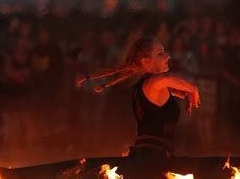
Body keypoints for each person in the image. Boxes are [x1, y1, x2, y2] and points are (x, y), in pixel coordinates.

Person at [76, 36, 200, 177]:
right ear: (146, 61)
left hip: (149, 158)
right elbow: (167, 80)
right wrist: (193, 88)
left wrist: (186, 94)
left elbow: (172, 89)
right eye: (160, 54)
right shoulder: (153, 83)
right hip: (151, 162)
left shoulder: (148, 85)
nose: (167, 56)